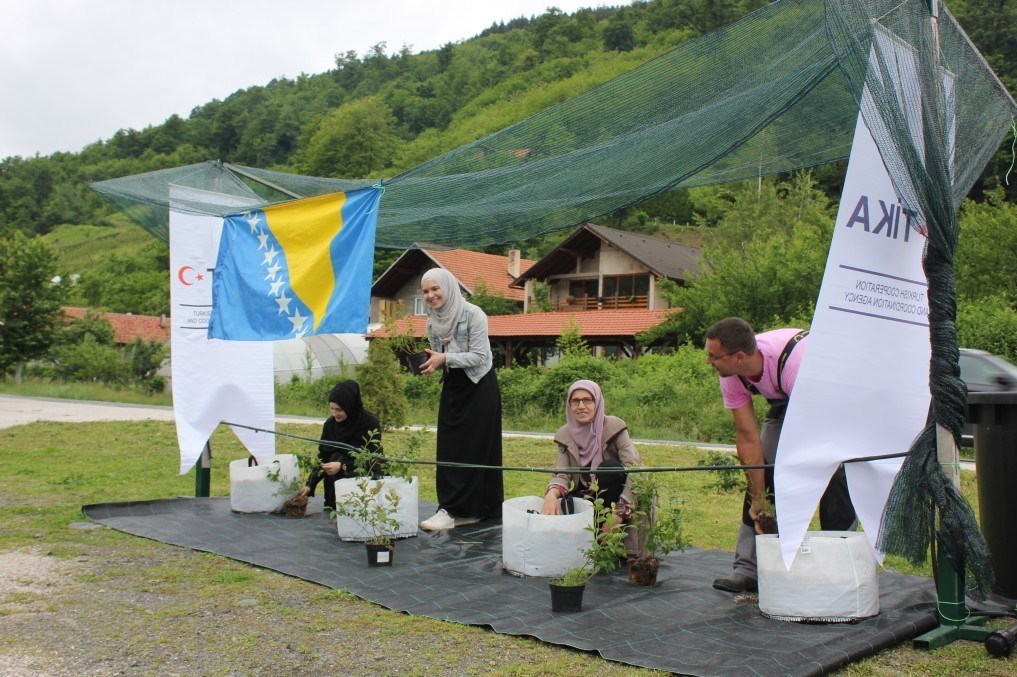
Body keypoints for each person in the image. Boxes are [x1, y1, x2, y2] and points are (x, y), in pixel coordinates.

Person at [705, 317, 856, 593]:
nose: (708, 361)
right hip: (783, 397)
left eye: (713, 356)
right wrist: (760, 498)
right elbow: (748, 438)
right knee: (762, 471)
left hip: (829, 396)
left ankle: (840, 568)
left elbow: (814, 436)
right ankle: (748, 568)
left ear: (739, 357)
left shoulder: (799, 362)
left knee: (834, 474)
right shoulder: (731, 373)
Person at [417, 268, 504, 531]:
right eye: (426, 291)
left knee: (478, 449)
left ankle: (478, 510)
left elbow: (479, 356)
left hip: (480, 386)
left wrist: (445, 358)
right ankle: (451, 508)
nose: (431, 296)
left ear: (448, 287)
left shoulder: (474, 314)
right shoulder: (432, 321)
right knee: (449, 447)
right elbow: (439, 355)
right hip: (454, 386)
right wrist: (433, 364)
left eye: (435, 289)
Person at [540, 380, 647, 557]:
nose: (581, 406)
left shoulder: (614, 426)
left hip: (618, 498)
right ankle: (589, 544)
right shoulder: (565, 434)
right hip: (591, 498)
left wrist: (618, 514)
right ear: (569, 405)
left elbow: (636, 471)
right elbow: (563, 475)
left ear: (597, 402)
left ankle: (613, 538)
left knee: (608, 469)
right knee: (567, 501)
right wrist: (551, 494)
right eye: (575, 401)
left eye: (587, 400)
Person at [299, 380, 382, 511]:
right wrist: (310, 485)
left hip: (362, 482)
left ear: (350, 406)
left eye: (339, 410)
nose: (334, 414)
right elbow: (323, 457)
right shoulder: (330, 425)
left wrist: (343, 464)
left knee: (337, 457)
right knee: (334, 456)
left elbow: (371, 457)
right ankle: (334, 504)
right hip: (333, 485)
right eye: (331, 408)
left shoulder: (369, 424)